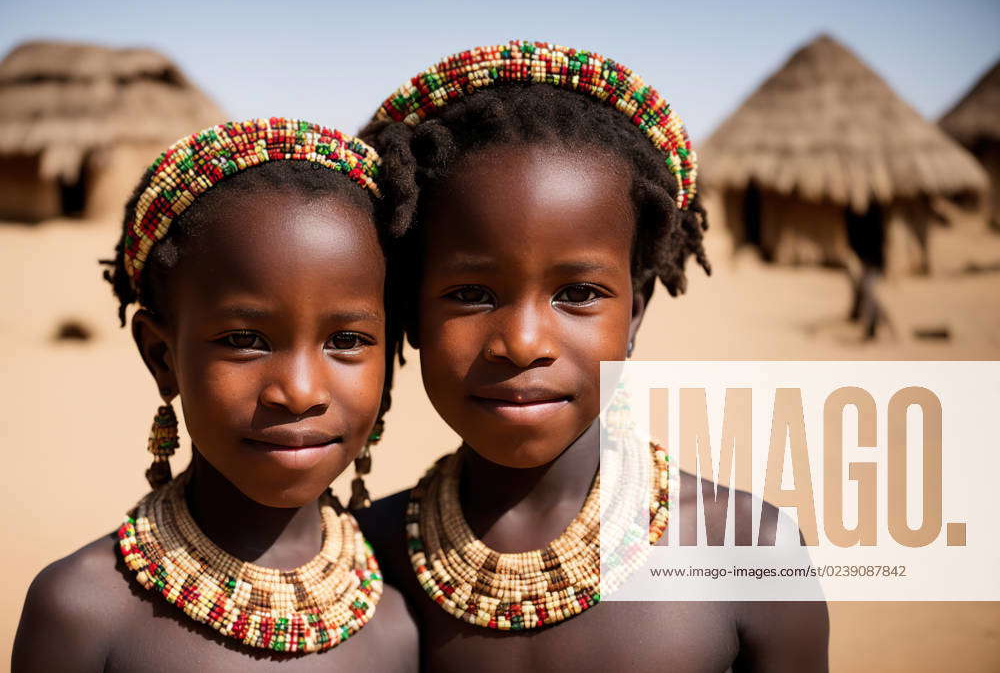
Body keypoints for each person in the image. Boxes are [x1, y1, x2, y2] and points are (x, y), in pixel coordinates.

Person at [358, 42, 829, 671]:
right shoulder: (366, 565)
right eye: (470, 295)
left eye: (577, 294)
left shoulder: (748, 547)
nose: (523, 344)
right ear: (411, 314)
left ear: (635, 313)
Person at [12, 119, 417, 672]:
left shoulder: (399, 619)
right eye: (244, 341)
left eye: (346, 341)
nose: (298, 392)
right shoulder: (83, 612)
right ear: (162, 357)